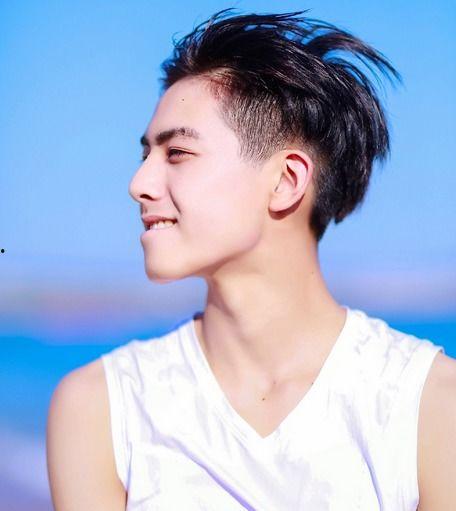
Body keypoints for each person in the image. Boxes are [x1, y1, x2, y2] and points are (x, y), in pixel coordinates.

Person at [46, 8, 456, 510]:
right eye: (145, 155)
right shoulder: (102, 406)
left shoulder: (430, 404)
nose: (139, 184)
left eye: (177, 153)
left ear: (286, 180)